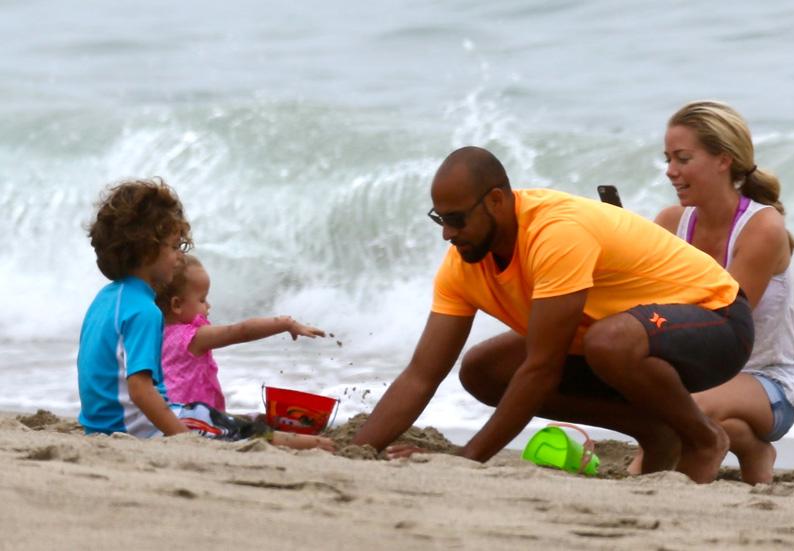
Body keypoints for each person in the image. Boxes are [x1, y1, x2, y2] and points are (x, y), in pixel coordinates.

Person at [353, 146, 754, 483]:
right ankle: (654, 430)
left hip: (717, 321)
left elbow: (541, 368)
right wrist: (359, 451)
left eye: (457, 219)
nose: (447, 233)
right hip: (626, 341)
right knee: (483, 369)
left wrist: (467, 459)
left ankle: (702, 438)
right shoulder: (463, 264)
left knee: (607, 342)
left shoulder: (555, 232)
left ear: (496, 200)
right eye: (441, 219)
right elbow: (422, 373)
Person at [77, 178, 334, 451]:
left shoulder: (105, 299)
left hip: (99, 426)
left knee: (220, 419)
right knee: (235, 429)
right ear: (147, 249)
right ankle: (319, 444)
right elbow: (141, 391)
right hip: (137, 429)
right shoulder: (144, 311)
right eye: (174, 246)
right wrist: (182, 439)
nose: (179, 257)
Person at [634, 100, 794, 483]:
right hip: (702, 377)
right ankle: (751, 447)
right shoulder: (670, 222)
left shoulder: (763, 228)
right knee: (670, 402)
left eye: (682, 159)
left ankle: (645, 483)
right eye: (668, 159)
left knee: (680, 408)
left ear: (723, 160)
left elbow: (722, 329)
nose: (670, 172)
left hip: (768, 381)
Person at [155, 254, 325, 411]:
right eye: (202, 299)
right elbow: (241, 331)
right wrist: (286, 323)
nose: (208, 305)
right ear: (176, 305)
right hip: (191, 419)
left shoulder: (153, 334)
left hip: (167, 414)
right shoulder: (193, 338)